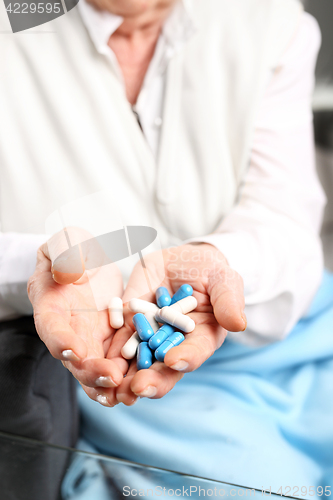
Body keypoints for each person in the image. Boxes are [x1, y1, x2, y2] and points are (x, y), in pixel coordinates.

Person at [1, 0, 333, 491]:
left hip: (289, 328)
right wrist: (39, 264)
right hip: (123, 372)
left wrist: (220, 262)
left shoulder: (266, 18)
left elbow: (283, 213)